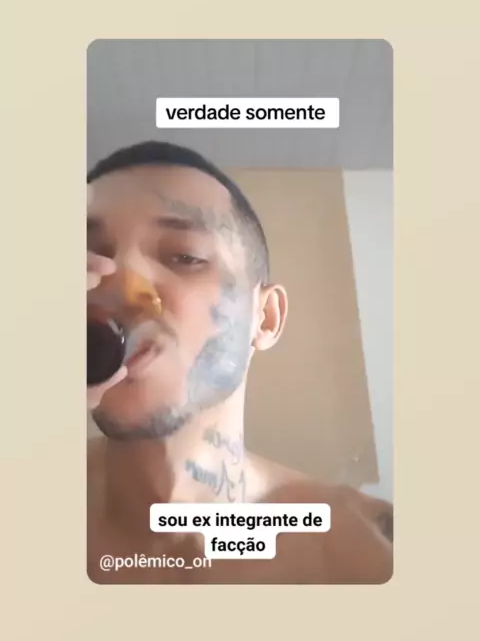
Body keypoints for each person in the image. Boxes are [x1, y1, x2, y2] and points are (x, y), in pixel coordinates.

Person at [87, 141, 393, 584]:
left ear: (265, 318)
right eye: (90, 255)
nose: (118, 281)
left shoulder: (370, 553)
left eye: (185, 256)